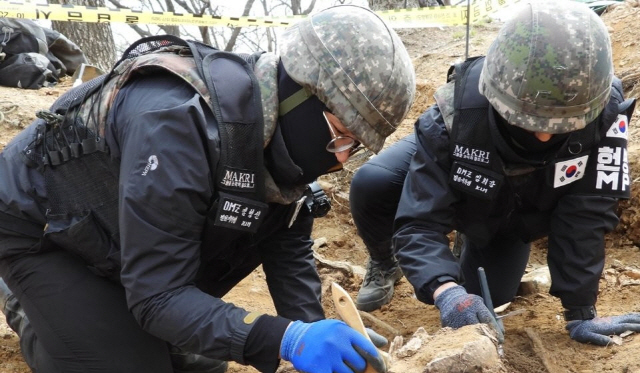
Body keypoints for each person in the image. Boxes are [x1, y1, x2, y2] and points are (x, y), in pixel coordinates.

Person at [0, 5, 416, 373]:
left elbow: (287, 249)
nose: (341, 157)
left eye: (355, 146)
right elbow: (158, 296)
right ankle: (35, 313)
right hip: (45, 230)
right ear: (301, 94)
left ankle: (112, 317)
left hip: (121, 235)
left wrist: (309, 335)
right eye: (340, 134)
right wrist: (284, 340)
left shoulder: (280, 147)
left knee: (205, 360)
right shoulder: (177, 124)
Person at [351, 1, 640, 346]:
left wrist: (581, 310)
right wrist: (444, 290)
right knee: (374, 182)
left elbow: (587, 212)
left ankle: (471, 238)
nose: (545, 136)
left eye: (561, 124)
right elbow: (420, 221)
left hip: (513, 208)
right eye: (529, 120)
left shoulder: (605, 115)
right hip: (463, 160)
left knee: (489, 298)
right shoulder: (454, 116)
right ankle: (386, 262)